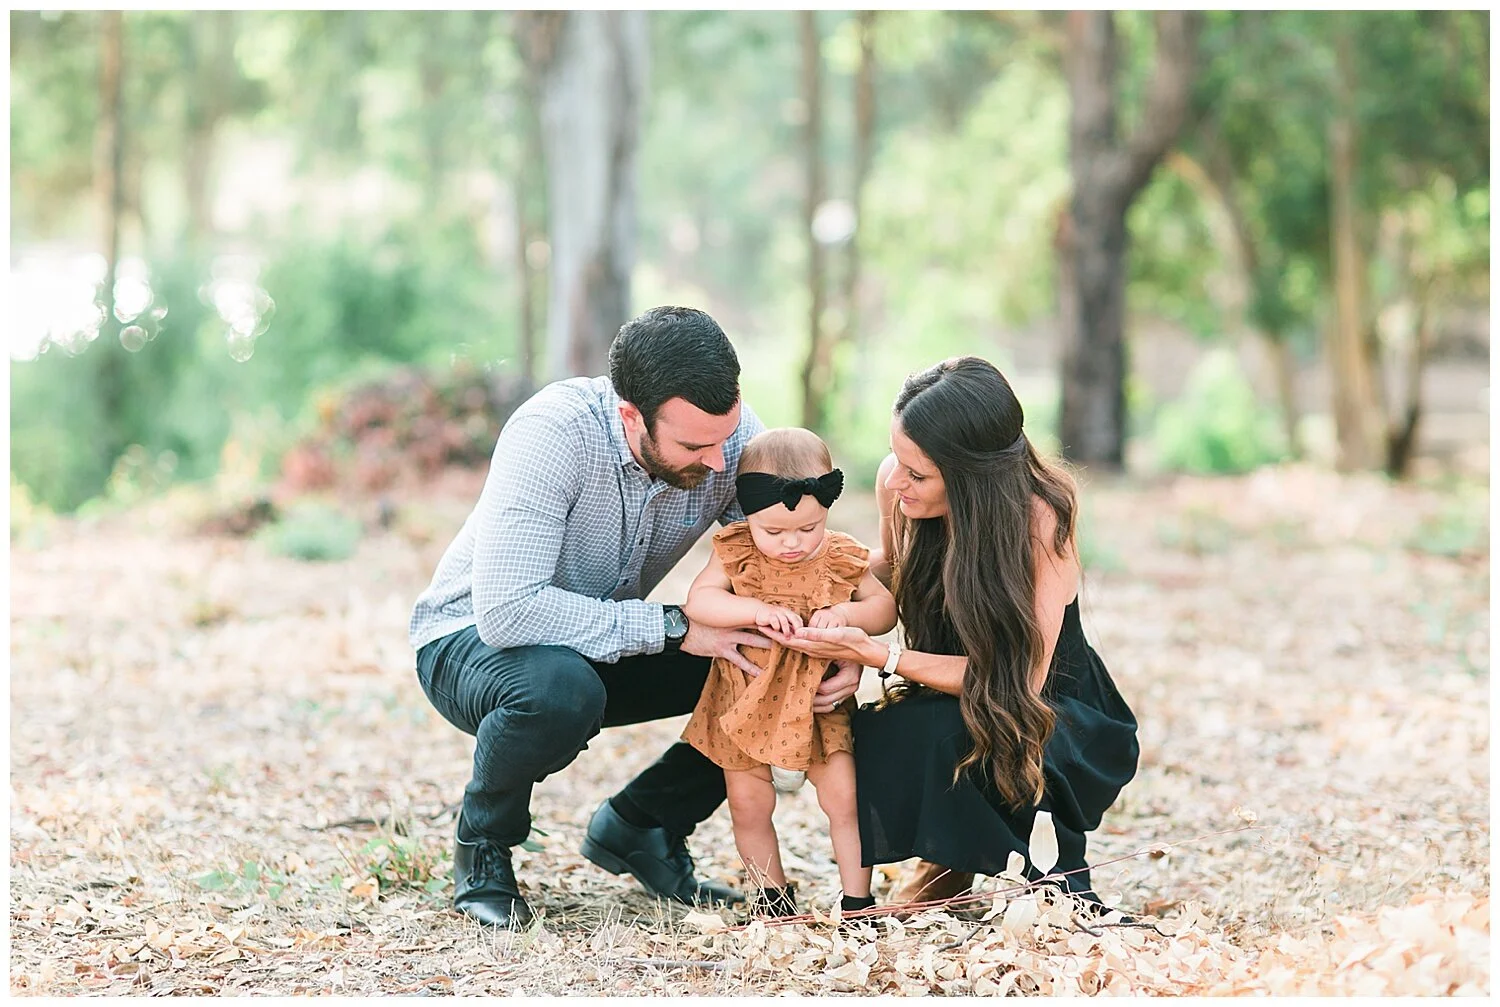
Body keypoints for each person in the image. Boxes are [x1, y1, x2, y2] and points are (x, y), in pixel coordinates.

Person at [407, 306, 865, 928]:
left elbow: (779, 573)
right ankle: (485, 845)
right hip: (472, 642)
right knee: (559, 689)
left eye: (724, 437)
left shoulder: (727, 438)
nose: (716, 461)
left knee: (757, 653)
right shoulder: (552, 435)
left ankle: (643, 825)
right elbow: (508, 612)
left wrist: (831, 653)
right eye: (695, 446)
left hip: (602, 636)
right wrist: (677, 627)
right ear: (632, 416)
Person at [765, 356, 1139, 913]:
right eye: (896, 458)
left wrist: (876, 654)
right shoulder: (896, 484)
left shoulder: (1040, 519)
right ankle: (643, 819)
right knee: (798, 700)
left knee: (943, 733)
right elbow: (895, 566)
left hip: (1048, 711)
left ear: (973, 478)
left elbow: (1016, 681)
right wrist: (809, 590)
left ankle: (1014, 870)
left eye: (918, 474)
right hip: (946, 685)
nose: (896, 481)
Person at [680, 428, 898, 918]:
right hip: (745, 699)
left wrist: (846, 617)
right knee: (749, 806)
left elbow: (884, 609)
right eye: (774, 532)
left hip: (819, 701)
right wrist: (751, 608)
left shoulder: (841, 555)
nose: (792, 543)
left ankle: (858, 902)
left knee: (844, 799)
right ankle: (771, 899)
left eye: (808, 528)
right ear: (748, 515)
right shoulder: (735, 549)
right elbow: (701, 600)